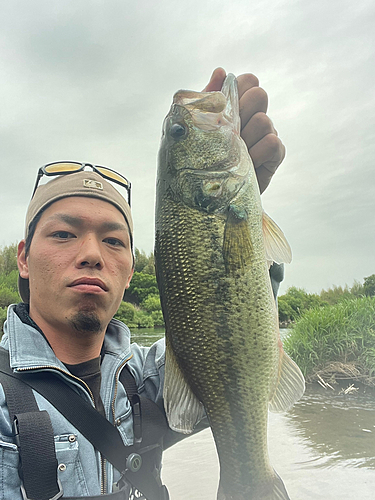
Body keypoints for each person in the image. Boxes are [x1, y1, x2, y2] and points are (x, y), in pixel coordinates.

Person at [0, 68, 286, 500]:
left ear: (130, 270)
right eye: (64, 234)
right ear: (23, 257)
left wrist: (244, 219)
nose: (92, 254)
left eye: (114, 240)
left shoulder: (150, 379)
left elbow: (229, 346)